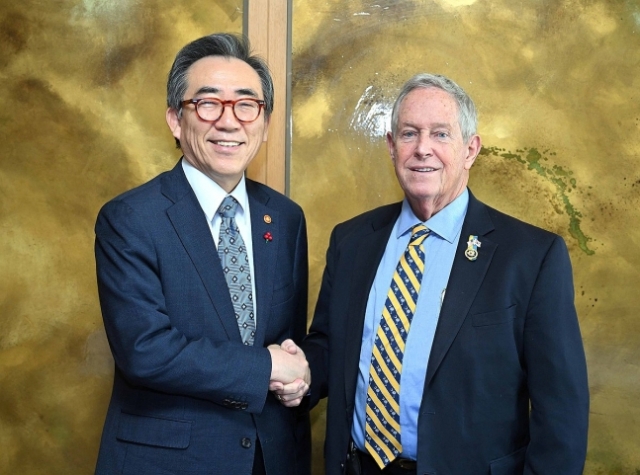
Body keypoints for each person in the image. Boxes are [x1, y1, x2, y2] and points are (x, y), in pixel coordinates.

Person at [294, 73, 589, 474]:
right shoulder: (352, 241)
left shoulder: (531, 257)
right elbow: (331, 345)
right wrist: (296, 371)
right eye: (409, 133)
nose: (422, 149)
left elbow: (562, 413)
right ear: (391, 146)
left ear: (470, 149)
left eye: (440, 134)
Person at [94, 33, 311, 475]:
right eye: (208, 104)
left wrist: (299, 375)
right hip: (169, 462)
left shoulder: (286, 219)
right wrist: (268, 364)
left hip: (271, 460)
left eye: (246, 105)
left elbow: (286, 341)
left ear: (265, 123)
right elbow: (145, 350)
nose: (229, 122)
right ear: (176, 119)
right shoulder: (131, 218)